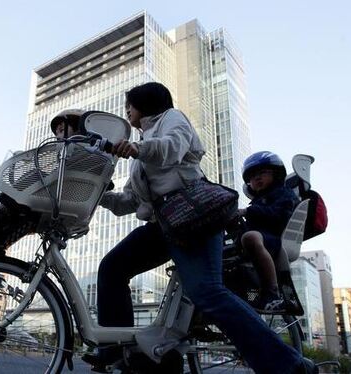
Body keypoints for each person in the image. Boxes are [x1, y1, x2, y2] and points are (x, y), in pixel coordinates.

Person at [88, 82, 315, 373]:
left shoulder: (171, 118)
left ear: (145, 102)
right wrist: (99, 196)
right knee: (112, 267)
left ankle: (291, 366)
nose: (126, 111)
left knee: (206, 292)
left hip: (195, 218)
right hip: (165, 225)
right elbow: (130, 201)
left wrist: (137, 148)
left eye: (129, 105)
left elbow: (172, 147)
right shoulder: (141, 149)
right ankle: (118, 353)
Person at [239, 151, 300, 313]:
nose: (257, 178)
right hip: (258, 245)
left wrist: (248, 212)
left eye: (262, 173)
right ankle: (253, 301)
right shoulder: (257, 202)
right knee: (248, 277)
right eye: (252, 177)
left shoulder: (283, 193)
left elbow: (279, 216)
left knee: (250, 237)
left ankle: (272, 294)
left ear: (276, 174)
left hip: (274, 240)